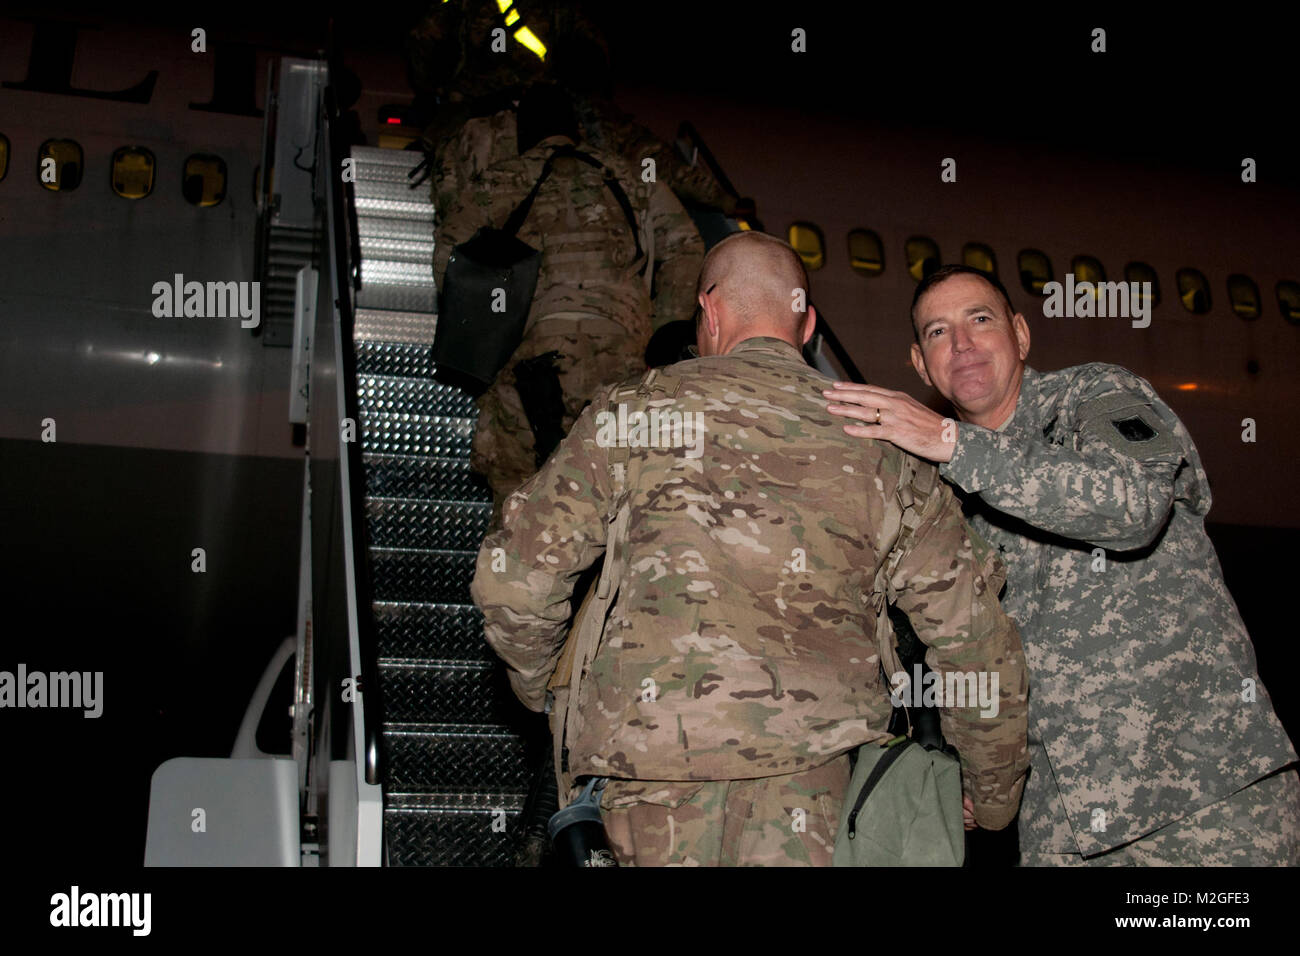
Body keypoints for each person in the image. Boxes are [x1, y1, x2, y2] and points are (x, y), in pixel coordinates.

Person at [470, 232, 1029, 865]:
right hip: (815, 797)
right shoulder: (883, 444)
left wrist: (544, 690)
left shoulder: (632, 413)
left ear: (707, 314)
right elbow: (975, 640)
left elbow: (511, 582)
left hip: (644, 785)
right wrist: (991, 798)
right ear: (809, 323)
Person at [824, 264, 1300, 865]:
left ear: (1020, 336)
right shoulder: (937, 497)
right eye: (938, 332)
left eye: (979, 319)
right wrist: (971, 770)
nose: (962, 343)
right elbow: (959, 648)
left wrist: (955, 443)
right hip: (1065, 823)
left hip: (1202, 796)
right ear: (921, 365)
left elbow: (1134, 505)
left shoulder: (1095, 397)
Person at [434, 84, 704, 521]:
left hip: (525, 362)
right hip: (623, 361)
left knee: (521, 509)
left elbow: (452, 255)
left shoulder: (502, 179)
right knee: (619, 502)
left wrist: (486, 334)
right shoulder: (630, 177)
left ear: (525, 132)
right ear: (576, 129)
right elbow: (686, 246)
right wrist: (663, 333)